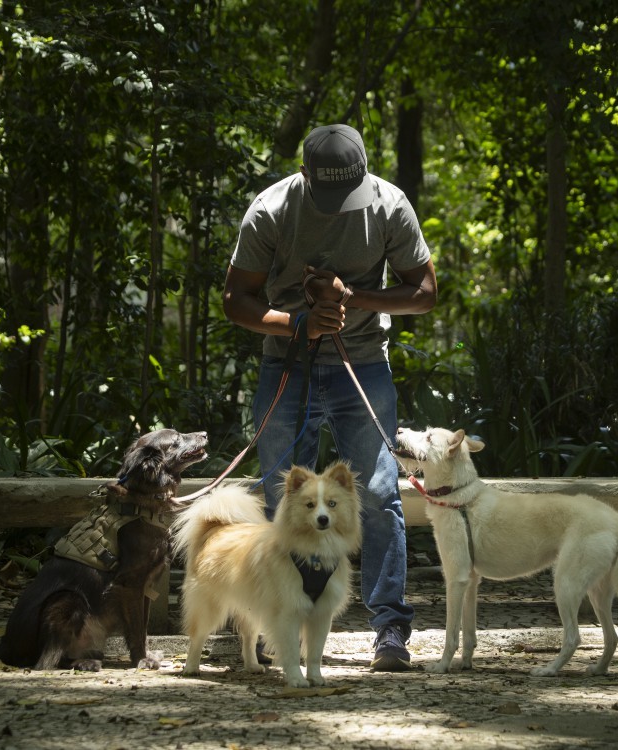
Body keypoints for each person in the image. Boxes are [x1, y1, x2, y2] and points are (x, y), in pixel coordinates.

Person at [222, 123, 437, 671]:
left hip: (362, 364)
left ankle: (389, 628)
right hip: (286, 364)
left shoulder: (389, 206)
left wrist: (353, 296)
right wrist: (299, 324)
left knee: (382, 493)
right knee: (280, 496)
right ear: (305, 178)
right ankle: (273, 625)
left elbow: (425, 292)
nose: (342, 208)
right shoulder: (271, 211)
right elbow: (236, 300)